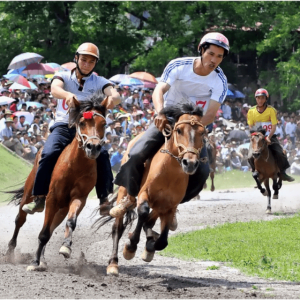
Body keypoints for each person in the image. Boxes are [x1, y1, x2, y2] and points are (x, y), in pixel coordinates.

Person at [111, 32, 230, 220]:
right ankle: (130, 198)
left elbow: (210, 114)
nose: (214, 60)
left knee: (203, 171)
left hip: (193, 127)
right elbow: (159, 89)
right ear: (201, 50)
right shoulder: (178, 66)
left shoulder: (220, 80)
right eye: (211, 54)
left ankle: (172, 205)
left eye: (219, 56)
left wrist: (192, 126)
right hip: (167, 120)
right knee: (135, 155)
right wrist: (159, 113)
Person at [22, 42, 121, 214]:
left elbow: (115, 94)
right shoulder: (63, 76)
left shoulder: (100, 81)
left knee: (103, 154)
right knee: (48, 152)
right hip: (63, 125)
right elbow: (54, 89)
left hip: (87, 130)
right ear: (76, 58)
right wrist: (67, 94)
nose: (87, 64)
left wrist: (113, 98)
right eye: (83, 60)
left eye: (91, 62)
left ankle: (104, 199)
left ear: (95, 64)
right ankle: (38, 198)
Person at [247, 88, 294, 182]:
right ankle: (255, 171)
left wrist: (268, 137)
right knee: (249, 156)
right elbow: (251, 126)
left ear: (266, 99)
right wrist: (254, 136)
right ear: (256, 99)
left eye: (262, 98)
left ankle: (283, 173)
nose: (260, 100)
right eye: (258, 98)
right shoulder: (251, 111)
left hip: (270, 136)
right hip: (257, 137)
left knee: (280, 152)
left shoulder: (271, 110)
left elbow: (274, 126)